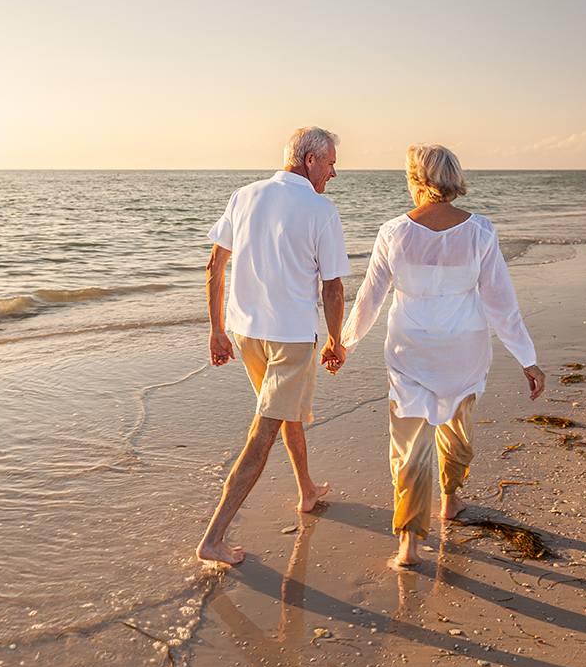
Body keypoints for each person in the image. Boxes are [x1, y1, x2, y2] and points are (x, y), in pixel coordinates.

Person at [339, 143, 545, 567]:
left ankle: (409, 544)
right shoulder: (481, 231)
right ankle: (450, 499)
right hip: (463, 351)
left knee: (410, 447)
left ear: (417, 181)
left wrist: (345, 345)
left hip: (409, 349)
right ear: (453, 179)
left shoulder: (393, 231)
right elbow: (501, 304)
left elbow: (369, 301)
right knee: (457, 430)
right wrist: (528, 358)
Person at [196, 126, 350, 565]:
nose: (334, 172)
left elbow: (214, 265)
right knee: (264, 429)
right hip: (291, 339)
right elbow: (333, 288)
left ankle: (306, 489)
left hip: (245, 334)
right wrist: (337, 341)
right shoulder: (321, 210)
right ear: (310, 161)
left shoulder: (244, 195)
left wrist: (217, 330)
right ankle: (214, 538)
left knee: (284, 412)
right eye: (332, 162)